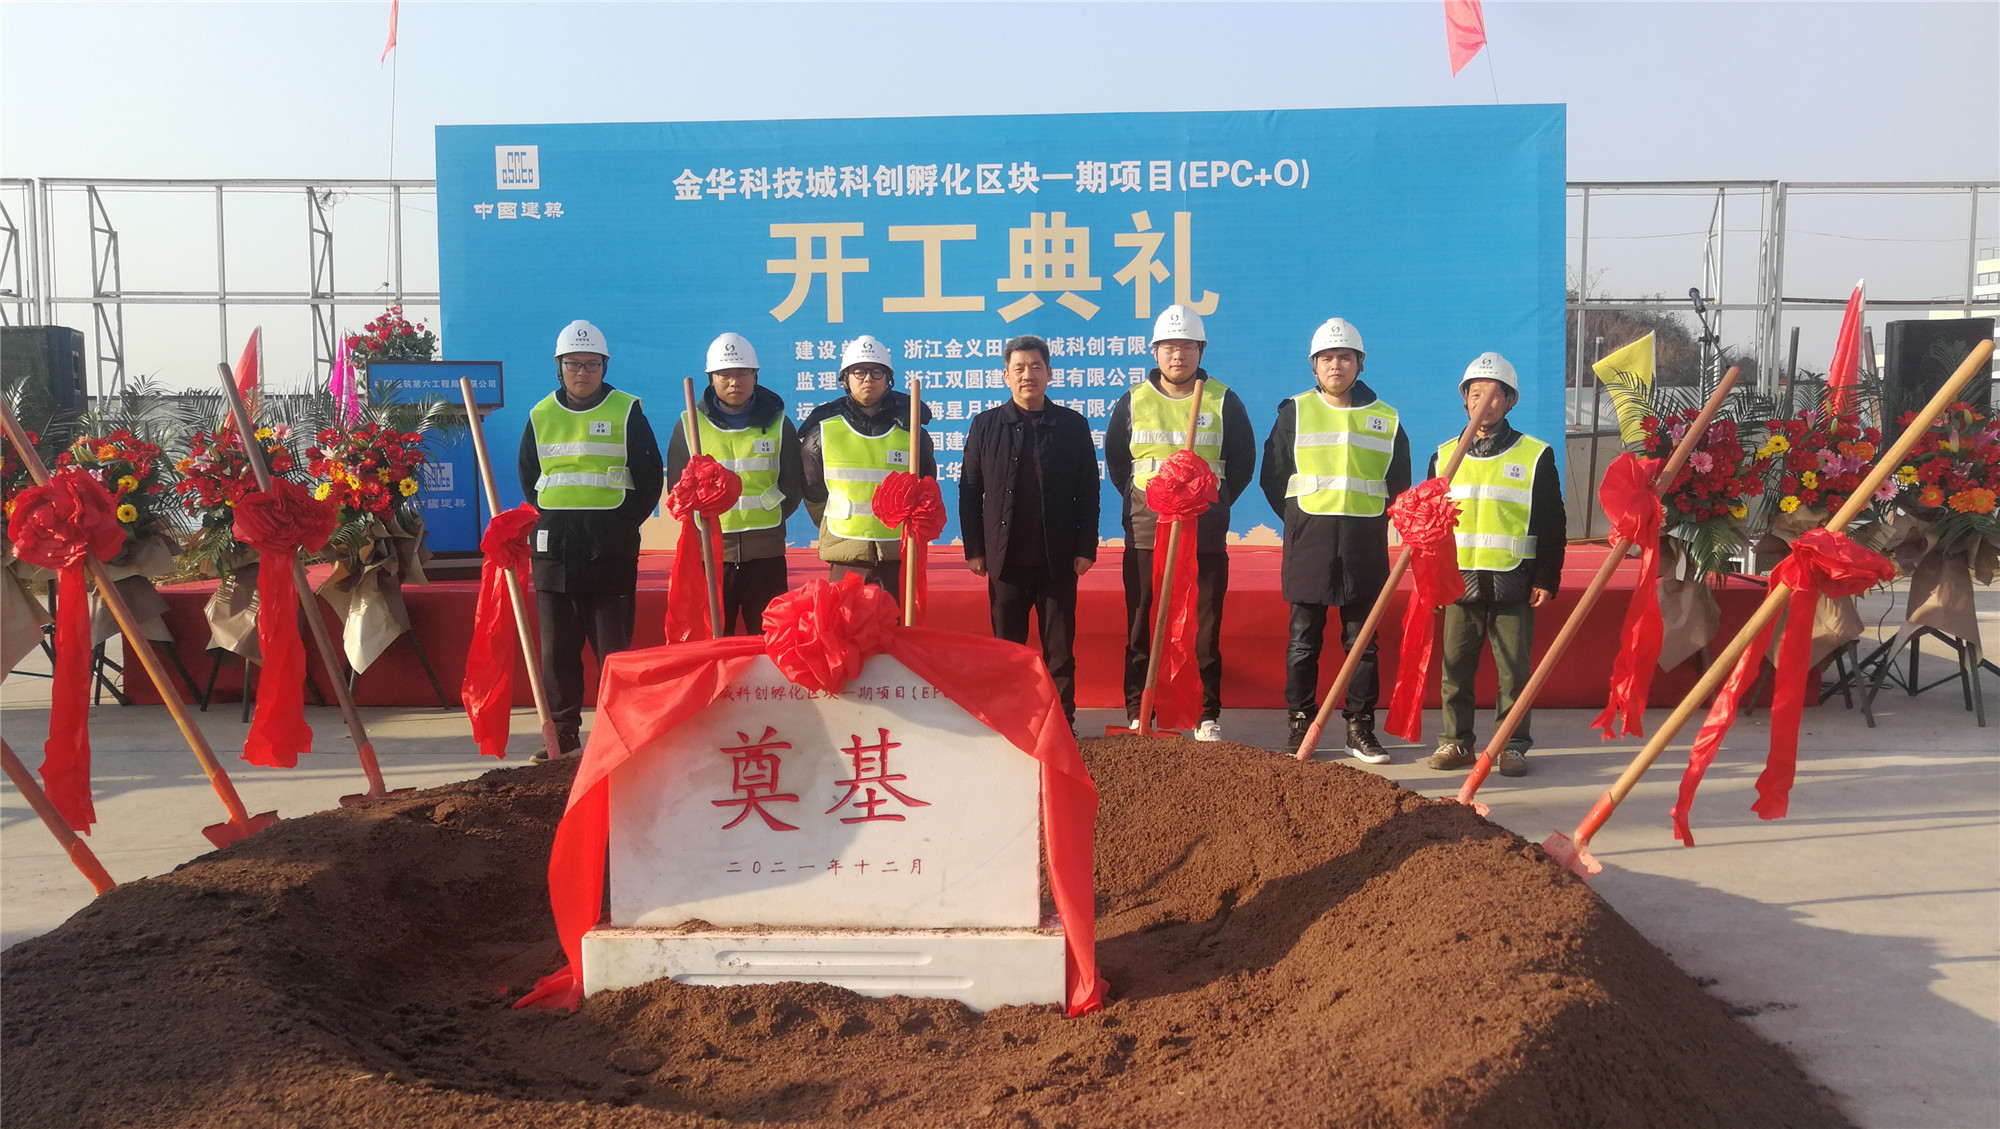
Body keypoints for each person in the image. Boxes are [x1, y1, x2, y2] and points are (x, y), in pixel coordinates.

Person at [1259, 318, 1411, 761]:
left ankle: (1360, 728)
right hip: (1310, 539)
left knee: (1363, 643)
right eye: (1326, 358)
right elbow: (1274, 476)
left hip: (1364, 542)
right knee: (1303, 640)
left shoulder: (1386, 418)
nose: (1335, 365)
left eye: (1345, 357)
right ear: (1314, 366)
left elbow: (1398, 483)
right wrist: (1299, 519)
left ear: (1360, 363)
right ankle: (1300, 724)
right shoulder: (1295, 412)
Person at [1104, 304, 1256, 742]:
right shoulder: (1133, 401)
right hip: (1147, 529)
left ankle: (1205, 714)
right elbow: (1120, 464)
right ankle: (1140, 710)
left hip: (1203, 533)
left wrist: (1212, 503)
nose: (1178, 355)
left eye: (1187, 346)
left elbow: (1241, 464)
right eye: (1169, 346)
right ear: (1154, 351)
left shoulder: (1223, 400)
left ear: (1201, 350)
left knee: (1203, 627)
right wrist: (1151, 502)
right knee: (1143, 621)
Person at [517, 319, 664, 761]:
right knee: (557, 651)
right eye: (573, 364)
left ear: (604, 366)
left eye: (591, 364)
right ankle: (563, 734)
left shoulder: (626, 411)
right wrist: (555, 517)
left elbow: (649, 478)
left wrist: (621, 523)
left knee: (613, 651)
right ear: (559, 366)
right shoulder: (541, 414)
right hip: (555, 548)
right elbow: (530, 476)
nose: (582, 372)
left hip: (609, 548)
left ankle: (615, 731)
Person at [1423, 352, 1566, 777]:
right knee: (1454, 668)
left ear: (1509, 401)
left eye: (1493, 393)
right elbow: (1431, 526)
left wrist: (1547, 577)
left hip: (1514, 580)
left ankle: (1511, 746)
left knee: (1514, 673)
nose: (1483, 401)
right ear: (1464, 400)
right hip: (1459, 583)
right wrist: (1432, 583)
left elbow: (1552, 522)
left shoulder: (1535, 455)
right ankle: (1456, 743)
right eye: (1475, 393)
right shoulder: (1444, 456)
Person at [960, 334, 1101, 729]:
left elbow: (1089, 490)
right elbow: (970, 490)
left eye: (1036, 366)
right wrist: (975, 549)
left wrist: (1085, 547)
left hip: (1058, 559)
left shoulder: (1072, 425)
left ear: (1049, 373)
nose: (1028, 375)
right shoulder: (986, 425)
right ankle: (1010, 723)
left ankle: (1062, 724)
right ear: (1006, 375)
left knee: (1060, 651)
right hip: (1005, 560)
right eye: (1019, 368)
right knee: (1007, 650)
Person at [664, 332, 804, 635]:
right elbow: (677, 489)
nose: (734, 382)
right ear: (711, 379)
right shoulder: (689, 425)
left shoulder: (779, 424)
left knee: (770, 643)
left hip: (766, 555)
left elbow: (793, 486)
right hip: (712, 556)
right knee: (714, 644)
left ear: (755, 376)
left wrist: (770, 515)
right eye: (724, 374)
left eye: (742, 373)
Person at [800, 334, 937, 596]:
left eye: (876, 372)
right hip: (846, 555)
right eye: (859, 372)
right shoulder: (821, 433)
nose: (868, 379)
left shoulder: (911, 431)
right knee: (845, 621)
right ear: (845, 379)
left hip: (896, 554)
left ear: (888, 379)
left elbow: (926, 487)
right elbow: (813, 492)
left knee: (894, 623)